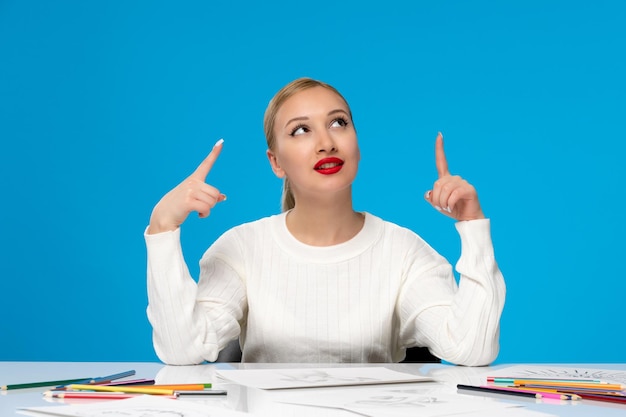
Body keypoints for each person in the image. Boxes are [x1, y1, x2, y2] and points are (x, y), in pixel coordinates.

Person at [145, 77, 505, 366]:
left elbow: (471, 349)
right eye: (301, 130)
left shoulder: (404, 252)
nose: (326, 142)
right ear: (276, 163)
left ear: (356, 143)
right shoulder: (240, 249)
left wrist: (472, 224)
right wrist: (162, 226)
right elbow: (181, 351)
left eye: (338, 123)